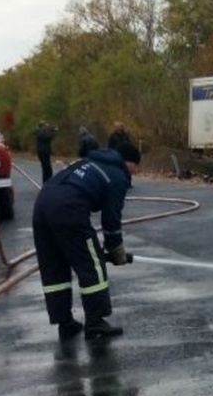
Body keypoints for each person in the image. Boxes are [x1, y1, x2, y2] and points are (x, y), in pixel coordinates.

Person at [32, 142, 141, 341]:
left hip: (42, 203)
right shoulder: (117, 176)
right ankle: (95, 322)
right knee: (93, 263)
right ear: (128, 162)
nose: (137, 170)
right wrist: (116, 250)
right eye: (136, 165)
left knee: (54, 265)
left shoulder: (89, 162)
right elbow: (111, 220)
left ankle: (64, 322)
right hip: (68, 208)